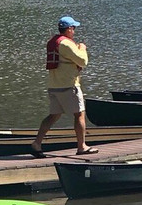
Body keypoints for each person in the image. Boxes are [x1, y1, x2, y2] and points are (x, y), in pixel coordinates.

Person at [30, 15, 95, 157]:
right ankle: (82, 146)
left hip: (54, 85)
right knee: (79, 114)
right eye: (74, 28)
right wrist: (82, 48)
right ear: (69, 29)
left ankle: (37, 143)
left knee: (53, 116)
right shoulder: (66, 44)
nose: (75, 31)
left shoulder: (53, 41)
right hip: (68, 85)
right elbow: (83, 61)